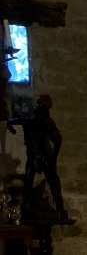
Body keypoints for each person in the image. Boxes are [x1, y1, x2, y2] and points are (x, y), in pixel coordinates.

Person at [7, 94, 73, 223]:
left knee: (51, 182)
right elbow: (58, 140)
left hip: (41, 154)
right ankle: (28, 209)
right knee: (37, 182)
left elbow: (58, 140)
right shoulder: (37, 120)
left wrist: (53, 157)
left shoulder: (39, 120)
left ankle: (59, 210)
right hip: (37, 154)